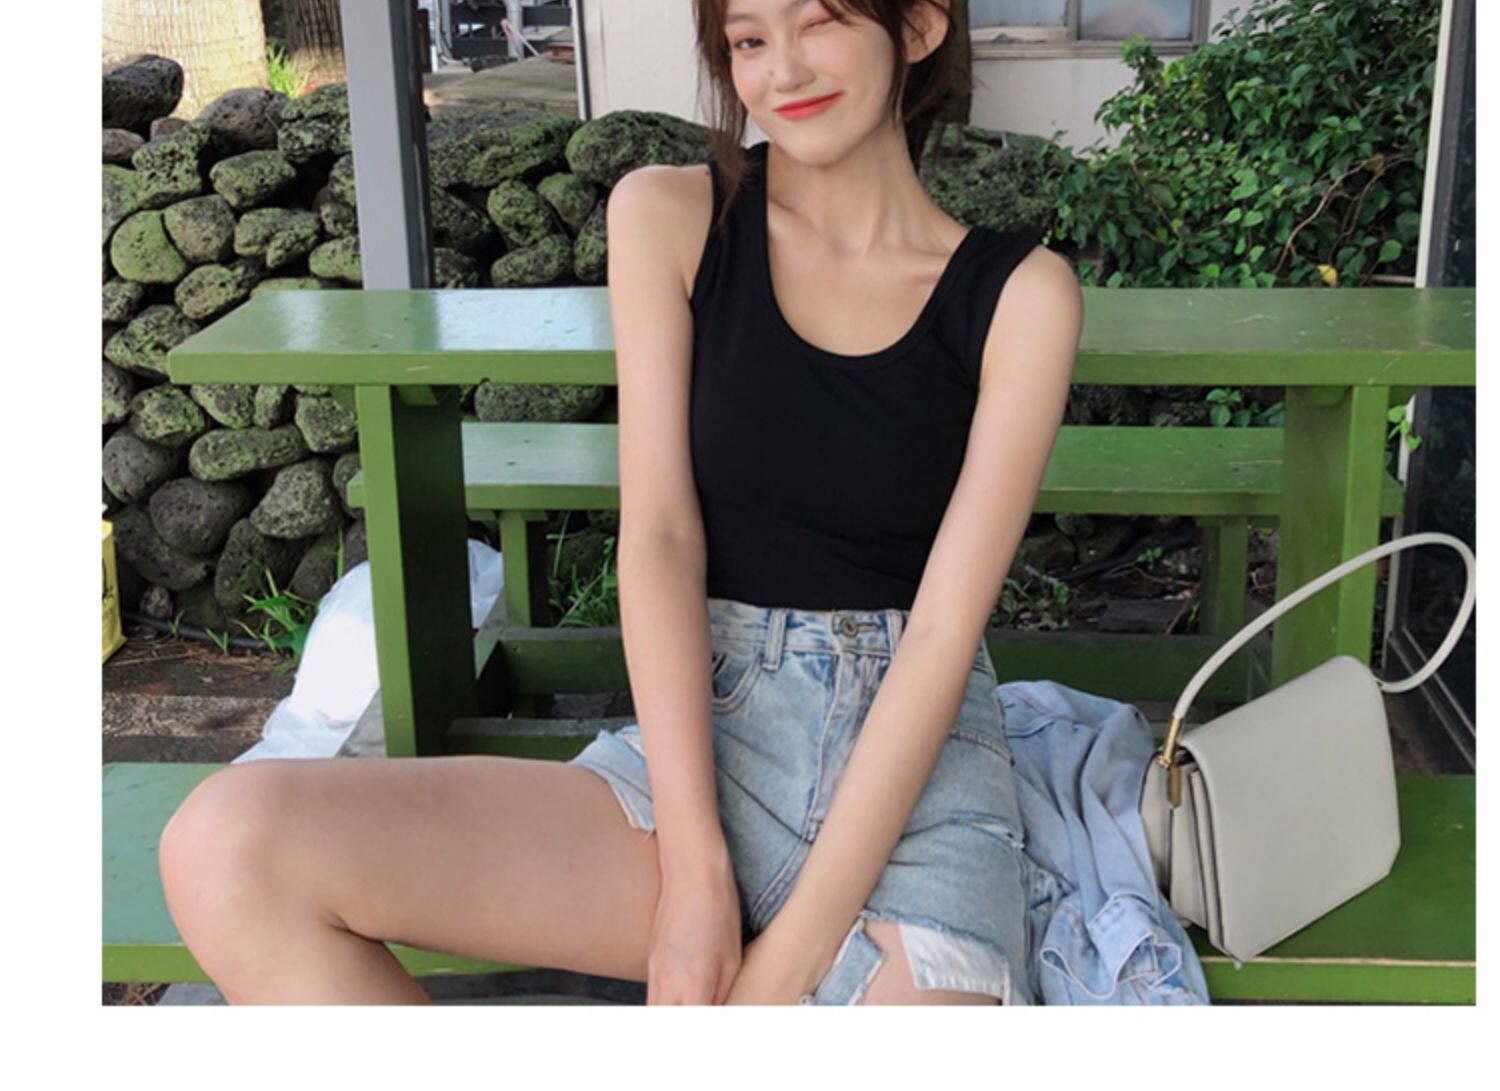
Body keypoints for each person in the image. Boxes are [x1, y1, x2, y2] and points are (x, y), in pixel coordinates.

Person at [156, 0, 1083, 1005]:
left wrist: (784, 968)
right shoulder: (671, 216)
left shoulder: (1023, 297)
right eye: (749, 40)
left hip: (917, 788)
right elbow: (660, 537)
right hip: (702, 743)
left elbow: (943, 632)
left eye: (819, 21)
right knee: (228, 846)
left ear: (920, 25)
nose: (782, 70)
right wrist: (694, 871)